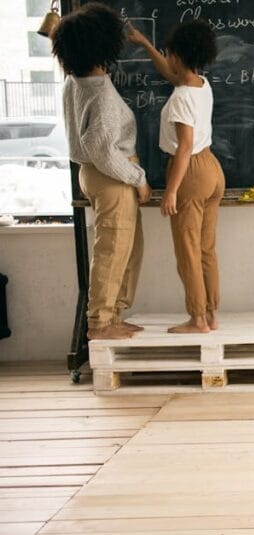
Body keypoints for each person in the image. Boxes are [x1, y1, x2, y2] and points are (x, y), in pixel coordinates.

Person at [52, 3, 152, 341]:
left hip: (93, 173)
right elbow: (102, 148)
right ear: (101, 45)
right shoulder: (101, 92)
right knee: (112, 249)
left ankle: (114, 316)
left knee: (126, 247)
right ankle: (100, 323)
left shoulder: (74, 82)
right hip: (112, 176)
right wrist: (137, 178)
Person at [128, 20, 224, 334]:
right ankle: (211, 314)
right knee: (205, 248)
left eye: (169, 53)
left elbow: (183, 148)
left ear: (178, 56)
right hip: (211, 169)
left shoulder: (182, 98)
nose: (167, 59)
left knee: (187, 250)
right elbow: (169, 73)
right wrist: (144, 43)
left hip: (190, 172)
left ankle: (197, 319)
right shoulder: (199, 84)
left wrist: (171, 191)